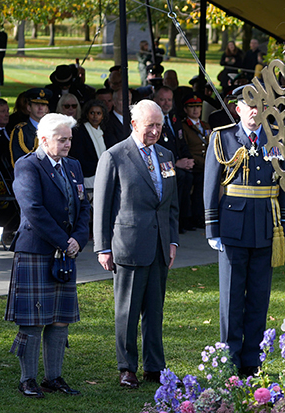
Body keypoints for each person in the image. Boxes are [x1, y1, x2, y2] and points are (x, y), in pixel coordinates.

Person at [203, 85, 285, 375]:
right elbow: (211, 184)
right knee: (231, 298)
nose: (254, 111)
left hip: (265, 225)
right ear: (237, 109)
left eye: (260, 105)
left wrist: (284, 222)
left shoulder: (276, 137)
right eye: (248, 105)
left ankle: (252, 360)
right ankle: (230, 359)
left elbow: (283, 183)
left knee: (258, 297)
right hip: (232, 227)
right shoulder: (223, 137)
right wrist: (211, 226)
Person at [93, 99, 179, 388]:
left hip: (159, 246)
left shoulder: (166, 155)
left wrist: (173, 240)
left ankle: (155, 367)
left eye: (159, 125)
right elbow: (101, 206)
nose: (155, 131)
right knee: (127, 312)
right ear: (133, 125)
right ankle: (126, 367)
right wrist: (103, 247)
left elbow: (171, 205)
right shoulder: (114, 156)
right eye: (149, 125)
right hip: (128, 245)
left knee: (155, 311)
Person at [4, 113, 90, 398]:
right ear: (43, 140)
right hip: (36, 251)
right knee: (32, 321)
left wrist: (78, 239)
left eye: (69, 139)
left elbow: (84, 206)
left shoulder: (73, 166)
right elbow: (33, 210)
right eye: (61, 139)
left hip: (65, 251)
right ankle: (27, 379)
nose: (67, 144)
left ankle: (53, 377)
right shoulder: (28, 166)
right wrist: (65, 241)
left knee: (60, 318)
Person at [154, 86, 195, 232]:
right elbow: (157, 147)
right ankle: (174, 221)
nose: (166, 103)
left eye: (169, 100)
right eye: (162, 100)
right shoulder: (154, 120)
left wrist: (188, 159)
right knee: (181, 176)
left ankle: (186, 219)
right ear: (155, 100)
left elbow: (181, 141)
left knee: (190, 175)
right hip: (162, 165)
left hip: (179, 162)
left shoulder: (174, 117)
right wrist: (176, 163)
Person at [180, 95, 210, 229]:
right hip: (195, 164)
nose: (196, 110)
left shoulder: (205, 125)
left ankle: (202, 216)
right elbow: (186, 147)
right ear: (185, 110)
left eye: (198, 107)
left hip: (205, 164)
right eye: (192, 107)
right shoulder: (184, 126)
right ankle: (193, 216)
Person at [69, 99, 109, 192]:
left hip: (103, 178)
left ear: (103, 116)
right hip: (87, 180)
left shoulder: (104, 131)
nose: (95, 116)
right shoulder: (79, 132)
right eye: (92, 113)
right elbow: (77, 157)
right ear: (87, 114)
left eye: (98, 113)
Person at [11, 88, 52, 166]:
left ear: (47, 109)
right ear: (29, 108)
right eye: (36, 104)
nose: (40, 108)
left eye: (43, 105)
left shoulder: (53, 130)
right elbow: (18, 160)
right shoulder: (20, 131)